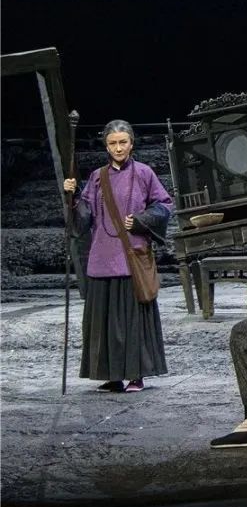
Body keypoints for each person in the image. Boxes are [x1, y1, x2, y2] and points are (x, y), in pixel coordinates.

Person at [64, 120, 172, 393]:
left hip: (130, 257)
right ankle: (112, 375)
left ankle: (136, 375)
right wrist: (72, 196)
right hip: (102, 258)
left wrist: (141, 220)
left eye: (123, 142)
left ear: (131, 144)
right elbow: (84, 218)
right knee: (105, 323)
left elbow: (164, 205)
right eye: (113, 143)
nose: (118, 148)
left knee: (132, 322)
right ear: (106, 146)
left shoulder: (144, 173)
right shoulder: (97, 177)